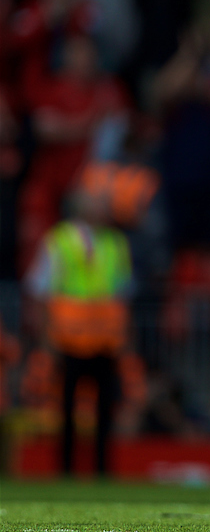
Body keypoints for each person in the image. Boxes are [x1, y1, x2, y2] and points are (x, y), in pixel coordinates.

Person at [24, 185, 133, 476]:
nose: (105, 207)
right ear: (80, 206)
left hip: (105, 341)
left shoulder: (116, 243)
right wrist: (46, 339)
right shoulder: (59, 241)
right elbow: (40, 290)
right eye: (97, 201)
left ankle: (102, 471)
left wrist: (124, 341)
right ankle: (67, 470)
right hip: (67, 339)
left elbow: (121, 296)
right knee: (67, 410)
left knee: (105, 410)